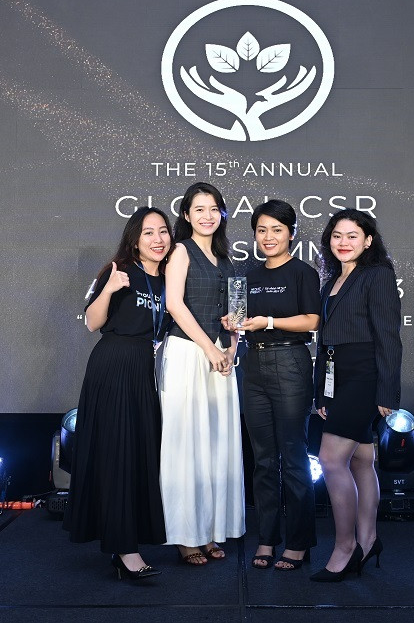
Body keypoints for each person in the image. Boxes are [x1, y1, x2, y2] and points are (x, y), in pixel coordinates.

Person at [64, 206, 173, 580]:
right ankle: (126, 551)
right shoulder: (120, 271)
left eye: (163, 231)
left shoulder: (169, 280)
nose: (157, 239)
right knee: (118, 456)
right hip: (113, 367)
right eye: (148, 232)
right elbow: (92, 322)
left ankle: (125, 541)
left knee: (137, 455)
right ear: (134, 240)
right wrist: (109, 289)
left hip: (144, 371)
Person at [225, 200, 320, 571]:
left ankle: (298, 544)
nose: (268, 237)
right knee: (263, 460)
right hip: (253, 365)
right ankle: (266, 538)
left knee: (294, 457)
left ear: (291, 234)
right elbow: (238, 320)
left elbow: (312, 321)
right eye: (261, 230)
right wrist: (232, 323)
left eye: (277, 230)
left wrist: (267, 321)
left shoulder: (303, 273)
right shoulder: (246, 276)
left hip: (290, 362)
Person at [309, 208, 402, 583]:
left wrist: (387, 391)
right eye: (337, 236)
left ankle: (345, 548)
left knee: (331, 459)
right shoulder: (331, 279)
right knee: (362, 460)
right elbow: (326, 341)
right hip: (336, 374)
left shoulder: (378, 275)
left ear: (368, 241)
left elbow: (389, 337)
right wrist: (321, 392)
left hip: (364, 375)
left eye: (352, 236)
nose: (343, 242)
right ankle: (369, 540)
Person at [158, 182, 245, 565]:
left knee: (216, 446)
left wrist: (231, 348)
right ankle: (185, 536)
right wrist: (210, 348)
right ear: (186, 215)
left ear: (222, 213)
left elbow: (237, 313)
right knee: (186, 446)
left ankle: (210, 530)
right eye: (199, 209)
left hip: (221, 359)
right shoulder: (180, 250)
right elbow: (175, 305)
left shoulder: (228, 260)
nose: (207, 216)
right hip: (187, 355)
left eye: (213, 209)